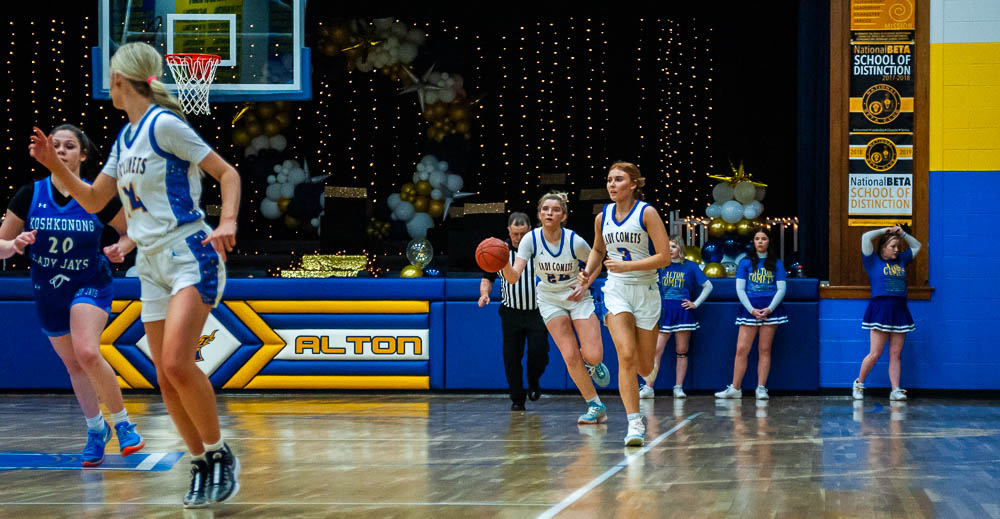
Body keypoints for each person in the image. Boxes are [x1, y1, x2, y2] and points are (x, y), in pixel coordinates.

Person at [29, 42, 241, 508]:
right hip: (150, 262)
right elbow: (92, 200)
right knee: (164, 379)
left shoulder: (164, 125)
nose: (108, 83)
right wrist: (52, 167)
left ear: (121, 80)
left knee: (176, 364)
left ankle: (221, 453)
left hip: (189, 251)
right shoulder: (123, 141)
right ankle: (201, 462)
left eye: (110, 76)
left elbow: (227, 173)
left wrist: (227, 222)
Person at [0, 124, 144, 467]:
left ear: (83, 155)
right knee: (73, 365)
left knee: (87, 352)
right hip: (48, 289)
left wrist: (119, 248)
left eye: (69, 146)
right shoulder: (29, 194)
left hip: (90, 281)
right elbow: (1, 246)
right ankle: (97, 430)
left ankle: (123, 424)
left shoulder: (95, 195)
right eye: (56, 145)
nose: (62, 150)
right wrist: (15, 244)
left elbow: (131, 232)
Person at [578, 162, 670, 446]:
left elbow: (665, 257)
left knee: (643, 366)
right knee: (626, 355)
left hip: (646, 290)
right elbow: (597, 249)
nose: (612, 184)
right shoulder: (602, 216)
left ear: (633, 184)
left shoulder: (647, 213)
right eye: (609, 180)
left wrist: (629, 267)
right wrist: (587, 273)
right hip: (616, 290)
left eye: (618, 179)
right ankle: (634, 423)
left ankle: (646, 371)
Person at [499, 192, 612, 424]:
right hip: (549, 299)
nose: (549, 212)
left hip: (576, 295)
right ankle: (595, 405)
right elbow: (513, 277)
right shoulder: (531, 239)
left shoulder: (574, 240)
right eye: (545, 209)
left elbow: (596, 263)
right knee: (570, 355)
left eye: (555, 209)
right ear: (540, 214)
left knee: (593, 354)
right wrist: (501, 263)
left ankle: (593, 362)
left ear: (563, 216)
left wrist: (585, 284)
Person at [479, 212, 549, 411]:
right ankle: (517, 399)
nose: (518, 238)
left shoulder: (539, 248)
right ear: (508, 231)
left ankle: (533, 379)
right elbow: (487, 277)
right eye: (515, 234)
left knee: (539, 353)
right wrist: (484, 294)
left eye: (522, 233)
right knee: (511, 358)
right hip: (511, 313)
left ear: (530, 230)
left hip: (538, 312)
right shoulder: (498, 251)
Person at [715, 228, 787, 401]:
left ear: (769, 242)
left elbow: (782, 288)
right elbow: (740, 289)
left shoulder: (776, 263)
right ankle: (735, 388)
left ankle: (761, 388)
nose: (760, 241)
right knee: (741, 349)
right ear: (753, 242)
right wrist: (751, 309)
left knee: (764, 349)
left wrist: (769, 308)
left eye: (763, 238)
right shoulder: (745, 263)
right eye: (757, 238)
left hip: (770, 309)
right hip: (750, 309)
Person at [640, 235, 713, 399]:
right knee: (656, 350)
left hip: (683, 312)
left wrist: (695, 303)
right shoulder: (660, 266)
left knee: (682, 351)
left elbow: (708, 286)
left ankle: (678, 387)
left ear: (680, 248)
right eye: (667, 247)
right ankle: (648, 387)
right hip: (664, 311)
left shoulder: (691, 267)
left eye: (673, 246)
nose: (670, 250)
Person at [852, 225, 921, 401]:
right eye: (893, 246)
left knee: (896, 354)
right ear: (883, 248)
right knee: (875, 353)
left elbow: (917, 246)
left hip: (899, 310)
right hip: (880, 309)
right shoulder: (872, 261)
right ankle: (859, 383)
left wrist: (902, 234)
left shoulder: (902, 260)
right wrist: (886, 230)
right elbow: (866, 237)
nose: (897, 250)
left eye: (898, 246)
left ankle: (895, 389)